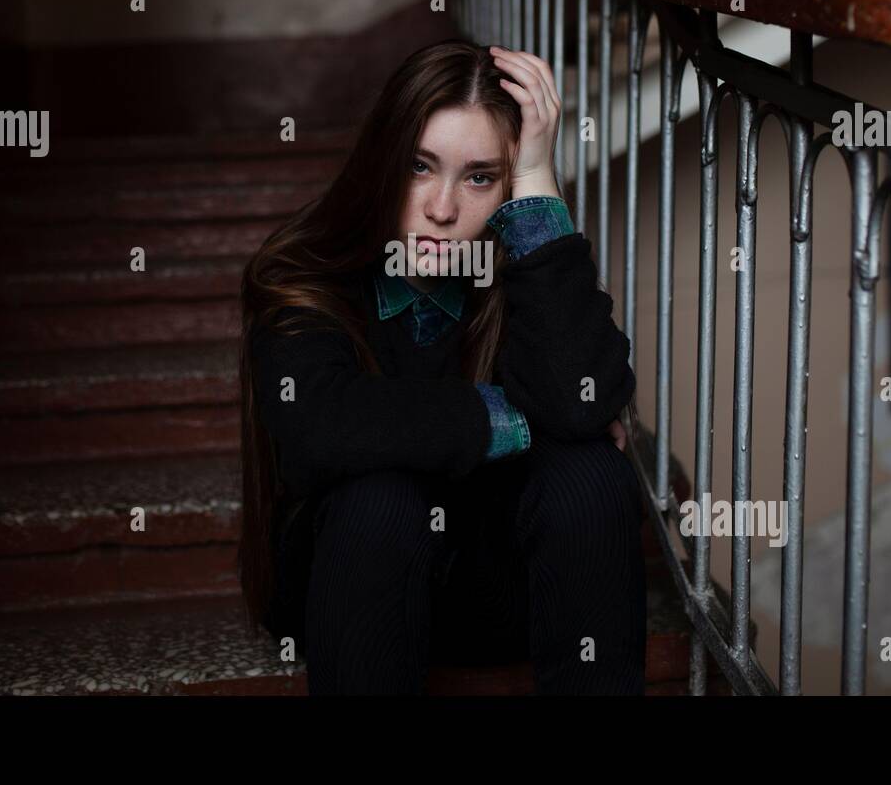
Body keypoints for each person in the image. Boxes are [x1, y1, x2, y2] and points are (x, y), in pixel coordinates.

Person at [237, 39, 647, 694]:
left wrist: (537, 174)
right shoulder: (303, 280)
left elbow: (579, 398)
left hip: (495, 589)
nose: (442, 209)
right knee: (382, 495)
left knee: (590, 472)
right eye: (419, 167)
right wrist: (516, 416)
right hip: (357, 585)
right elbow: (320, 427)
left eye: (480, 177)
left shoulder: (517, 272)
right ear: (381, 161)